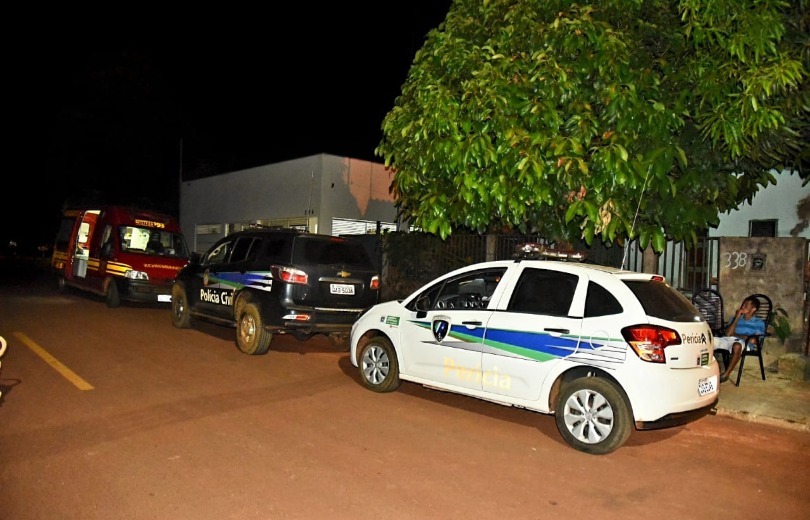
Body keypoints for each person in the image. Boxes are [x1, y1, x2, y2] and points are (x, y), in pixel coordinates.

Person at [714, 296, 766, 383]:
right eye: (743, 304)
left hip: (743, 344)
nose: (742, 307)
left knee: (737, 346)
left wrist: (737, 335)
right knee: (709, 342)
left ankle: (726, 375)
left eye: (746, 305)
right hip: (728, 340)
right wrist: (737, 318)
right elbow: (727, 334)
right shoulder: (735, 318)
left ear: (753, 309)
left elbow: (753, 341)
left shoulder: (759, 323)